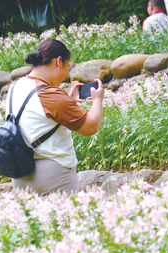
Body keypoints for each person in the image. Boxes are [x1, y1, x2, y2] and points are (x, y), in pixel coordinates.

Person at [6, 39, 104, 196]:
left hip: (19, 174)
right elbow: (90, 127)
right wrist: (98, 99)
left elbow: (36, 119)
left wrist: (68, 102)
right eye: (67, 67)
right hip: (52, 177)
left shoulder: (16, 85)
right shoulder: (48, 94)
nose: (66, 74)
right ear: (59, 61)